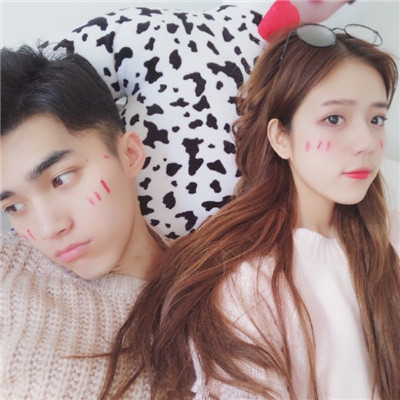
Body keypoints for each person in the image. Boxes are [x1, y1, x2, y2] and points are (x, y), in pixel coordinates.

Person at [99, 24, 400, 400]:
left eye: (376, 119)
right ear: (281, 137)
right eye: (334, 119)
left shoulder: (385, 238)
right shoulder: (247, 282)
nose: (367, 143)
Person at [0, 46, 167, 399]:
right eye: (14, 206)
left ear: (129, 154)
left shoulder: (226, 292)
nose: (48, 229)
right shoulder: (8, 267)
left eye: (61, 179)